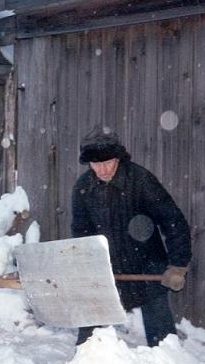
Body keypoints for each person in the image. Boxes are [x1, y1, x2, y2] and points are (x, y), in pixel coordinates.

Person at [71, 125, 192, 347]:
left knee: (163, 341)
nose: (103, 169)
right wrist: (86, 269)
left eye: (108, 162)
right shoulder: (83, 188)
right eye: (96, 164)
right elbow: (81, 234)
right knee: (89, 340)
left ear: (118, 157)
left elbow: (173, 221)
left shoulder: (141, 180)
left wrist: (178, 265)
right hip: (106, 267)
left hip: (147, 265)